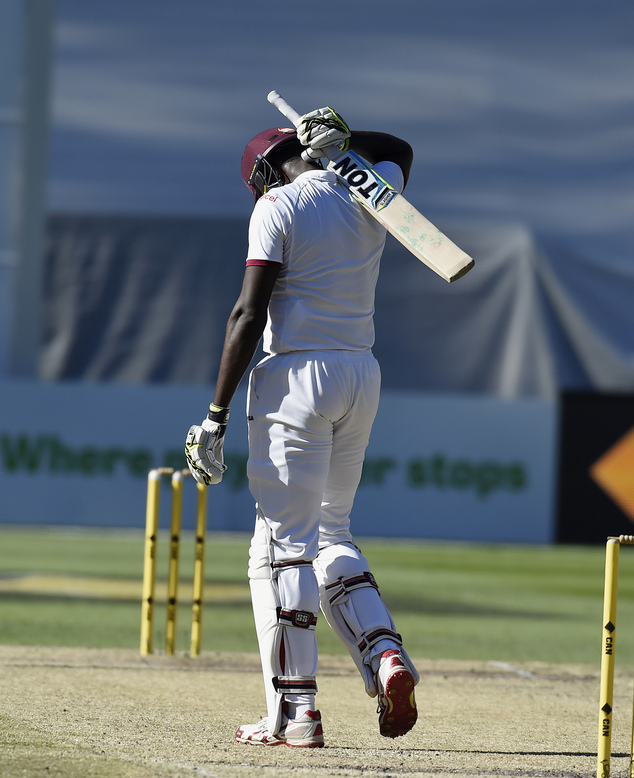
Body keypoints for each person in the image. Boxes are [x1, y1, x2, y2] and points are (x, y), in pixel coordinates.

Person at [185, 106, 420, 748]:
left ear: (265, 170)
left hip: (295, 378)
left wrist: (215, 415)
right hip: (360, 372)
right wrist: (348, 144)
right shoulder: (371, 190)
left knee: (283, 545)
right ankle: (383, 653)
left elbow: (246, 312)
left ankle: (296, 713)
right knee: (332, 530)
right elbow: (399, 146)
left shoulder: (278, 207)